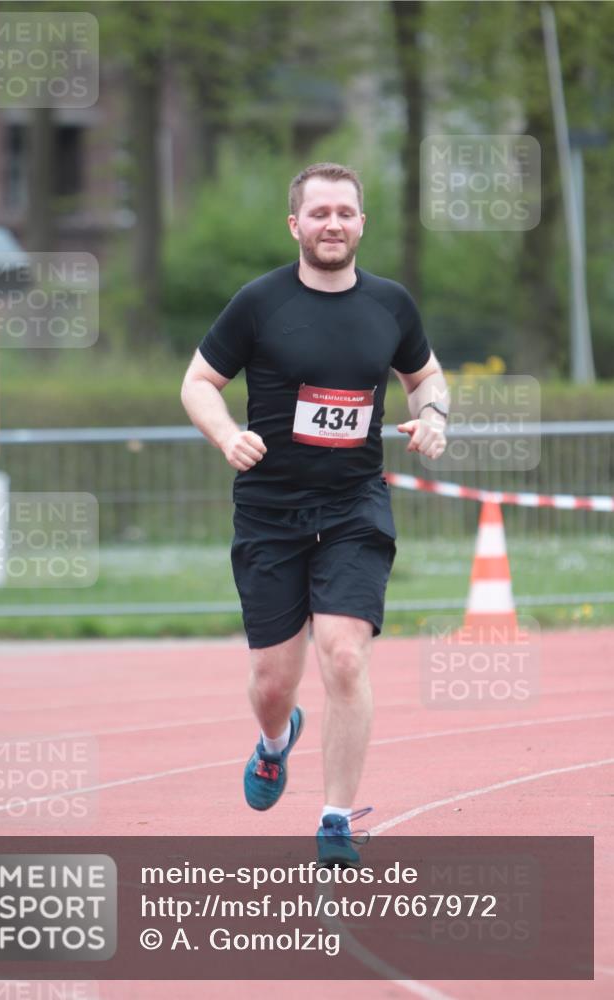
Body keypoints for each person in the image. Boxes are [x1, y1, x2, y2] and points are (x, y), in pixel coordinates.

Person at [181, 162, 448, 865]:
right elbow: (199, 381)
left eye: (345, 213)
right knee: (274, 683)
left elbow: (424, 376)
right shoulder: (259, 303)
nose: (333, 224)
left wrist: (434, 417)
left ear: (362, 223)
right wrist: (225, 435)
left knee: (344, 655)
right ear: (295, 224)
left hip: (355, 506)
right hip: (270, 512)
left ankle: (335, 818)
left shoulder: (390, 305)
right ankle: (275, 742)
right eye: (320, 213)